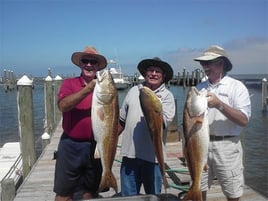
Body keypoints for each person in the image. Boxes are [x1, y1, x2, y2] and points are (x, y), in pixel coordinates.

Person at [194, 45, 251, 201]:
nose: (204, 67)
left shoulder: (237, 87)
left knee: (233, 193)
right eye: (203, 63)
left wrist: (219, 104)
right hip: (200, 145)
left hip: (227, 147)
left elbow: (244, 120)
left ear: (221, 64)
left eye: (208, 63)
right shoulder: (199, 88)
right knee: (199, 189)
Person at [53, 46, 107, 201]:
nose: (89, 65)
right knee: (64, 194)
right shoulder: (69, 83)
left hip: (95, 146)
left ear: (97, 66)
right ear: (80, 64)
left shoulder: (104, 88)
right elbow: (63, 105)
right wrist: (88, 89)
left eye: (93, 62)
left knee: (89, 192)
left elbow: (112, 114)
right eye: (85, 61)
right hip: (71, 146)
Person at [117, 57, 176, 196]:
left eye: (158, 71)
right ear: (145, 73)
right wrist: (108, 141)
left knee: (154, 196)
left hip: (153, 159)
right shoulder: (133, 91)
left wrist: (152, 106)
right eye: (150, 70)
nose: (154, 74)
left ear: (163, 76)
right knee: (128, 197)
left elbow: (163, 123)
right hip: (129, 156)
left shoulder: (167, 96)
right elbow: (121, 121)